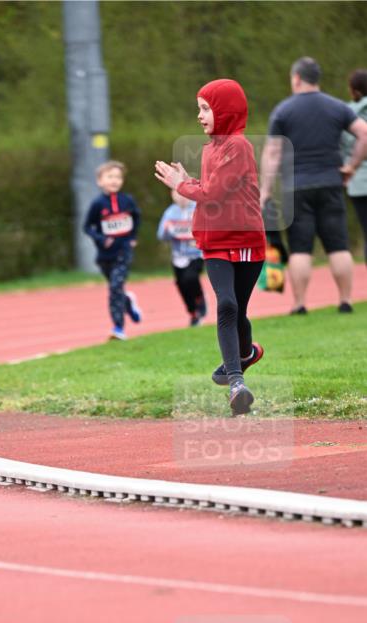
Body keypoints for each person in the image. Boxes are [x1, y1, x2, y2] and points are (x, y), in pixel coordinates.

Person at [155, 78, 266, 416]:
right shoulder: (212, 148)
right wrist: (191, 181)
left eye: (205, 109)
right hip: (215, 241)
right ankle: (237, 383)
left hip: (246, 240)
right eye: (199, 109)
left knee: (240, 312)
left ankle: (245, 356)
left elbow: (213, 193)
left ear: (225, 110)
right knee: (227, 304)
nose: (200, 116)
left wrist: (181, 184)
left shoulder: (238, 146)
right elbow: (212, 189)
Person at [260, 57, 367, 313]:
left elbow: (272, 153)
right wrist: (351, 166)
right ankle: (345, 300)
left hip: (296, 187)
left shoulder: (283, 110)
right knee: (338, 245)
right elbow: (364, 134)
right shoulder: (337, 107)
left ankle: (299, 304)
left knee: (300, 248)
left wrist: (265, 190)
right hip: (331, 182)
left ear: (296, 78)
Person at [83, 160, 141, 340]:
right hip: (104, 255)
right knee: (116, 288)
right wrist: (101, 239)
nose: (114, 180)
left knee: (115, 287)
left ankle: (118, 328)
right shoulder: (97, 204)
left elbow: (136, 218)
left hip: (123, 251)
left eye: (118, 177)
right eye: (110, 177)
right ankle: (128, 302)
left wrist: (132, 238)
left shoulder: (127, 200)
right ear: (100, 181)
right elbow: (87, 227)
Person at [156, 189, 207, 326]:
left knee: (190, 279)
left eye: (184, 193)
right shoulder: (170, 213)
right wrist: (167, 230)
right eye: (177, 194)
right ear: (172, 195)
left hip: (196, 254)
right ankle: (193, 313)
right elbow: (161, 236)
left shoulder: (197, 209)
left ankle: (200, 299)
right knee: (181, 284)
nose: (181, 197)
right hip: (178, 257)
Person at [341, 68, 367, 263]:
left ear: (355, 91)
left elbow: (340, 147)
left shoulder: (346, 115)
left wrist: (346, 169)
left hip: (358, 183)